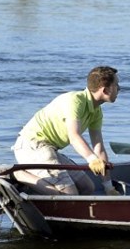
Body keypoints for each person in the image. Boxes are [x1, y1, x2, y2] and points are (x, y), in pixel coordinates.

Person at [11, 65, 120, 196]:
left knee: (88, 188)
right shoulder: (75, 100)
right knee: (70, 194)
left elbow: (99, 148)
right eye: (116, 84)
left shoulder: (96, 111)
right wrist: (92, 159)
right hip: (32, 145)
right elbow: (74, 136)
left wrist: (108, 187)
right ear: (105, 90)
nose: (119, 88)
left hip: (50, 148)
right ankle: (19, 174)